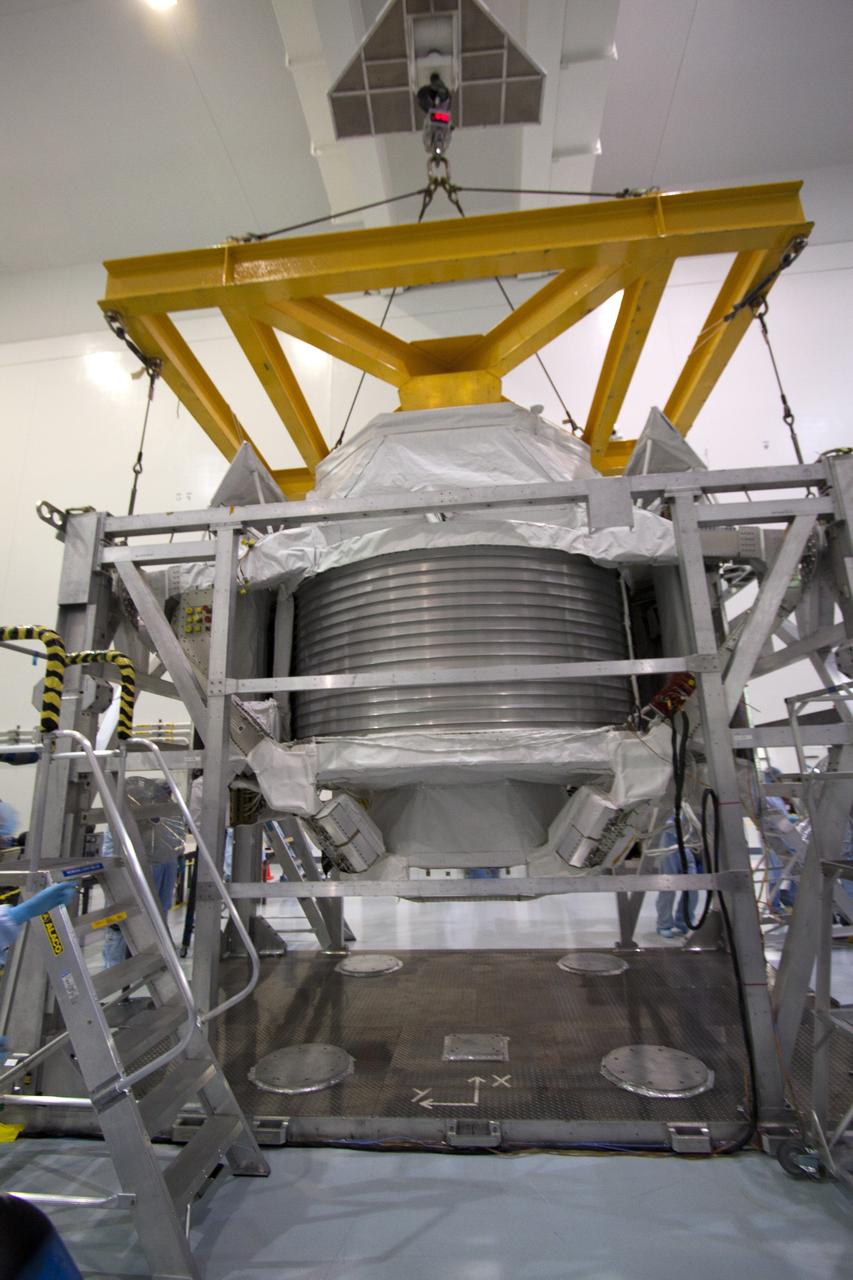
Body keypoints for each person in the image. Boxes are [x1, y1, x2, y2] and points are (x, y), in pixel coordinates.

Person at [102, 776, 185, 967]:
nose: (167, 798)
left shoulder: (167, 814)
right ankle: (114, 968)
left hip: (163, 865)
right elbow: (111, 847)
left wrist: (177, 857)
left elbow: (174, 838)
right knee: (120, 925)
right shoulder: (126, 814)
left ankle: (158, 959)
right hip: (132, 870)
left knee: (158, 915)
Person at [655, 816, 698, 940]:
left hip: (686, 847)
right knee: (668, 888)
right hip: (669, 844)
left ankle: (684, 921)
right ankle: (664, 924)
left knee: (693, 887)